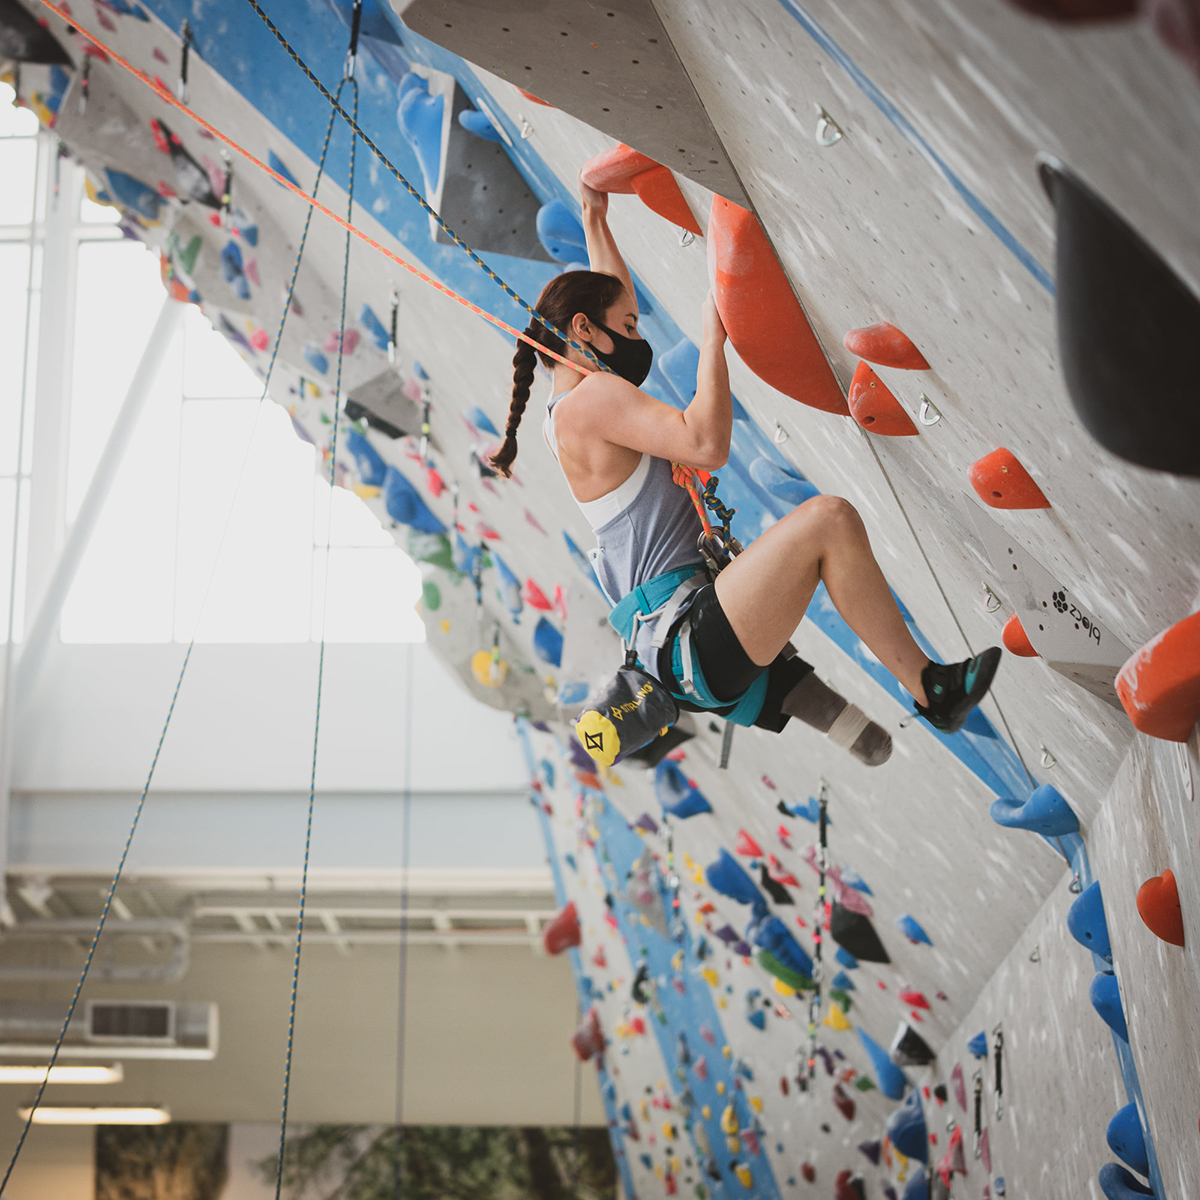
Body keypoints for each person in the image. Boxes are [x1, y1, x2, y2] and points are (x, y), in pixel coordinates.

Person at [488, 173, 1000, 763]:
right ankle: (927, 691)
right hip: (688, 636)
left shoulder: (566, 412)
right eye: (628, 328)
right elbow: (705, 444)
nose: (635, 336)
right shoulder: (591, 403)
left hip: (676, 639)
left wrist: (594, 219)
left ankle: (871, 719)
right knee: (828, 521)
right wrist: (712, 337)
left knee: (847, 718)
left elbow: (609, 300)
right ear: (583, 329)